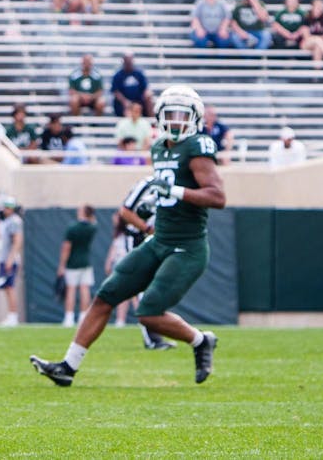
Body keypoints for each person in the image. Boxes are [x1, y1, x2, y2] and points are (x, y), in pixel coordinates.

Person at [31, 86, 224, 386]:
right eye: (170, 114)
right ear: (159, 117)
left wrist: (173, 191)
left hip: (187, 246)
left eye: (182, 115)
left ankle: (201, 340)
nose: (175, 121)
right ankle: (67, 366)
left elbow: (217, 196)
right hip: (159, 240)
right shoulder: (159, 147)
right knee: (105, 296)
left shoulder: (198, 146)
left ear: (195, 118)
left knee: (148, 313)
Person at [116, 176, 179, 349]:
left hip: (156, 240)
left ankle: (154, 336)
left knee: (152, 287)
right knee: (142, 288)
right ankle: (153, 338)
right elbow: (125, 211)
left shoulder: (176, 186)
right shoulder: (148, 184)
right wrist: (148, 229)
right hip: (138, 239)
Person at [0, 195, 22, 327]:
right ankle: (10, 315)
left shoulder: (15, 221)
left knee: (10, 287)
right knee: (6, 287)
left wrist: (11, 259)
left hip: (9, 259)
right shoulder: (5, 221)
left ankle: (13, 317)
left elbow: (17, 241)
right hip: (4, 257)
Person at [58, 205, 97, 327]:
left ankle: (69, 317)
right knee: (85, 289)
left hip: (72, 263)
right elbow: (94, 221)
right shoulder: (92, 228)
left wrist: (62, 265)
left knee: (71, 290)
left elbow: (66, 247)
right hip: (85, 262)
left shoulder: (73, 228)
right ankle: (83, 316)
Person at [110, 52, 152, 117]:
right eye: (127, 61)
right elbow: (115, 91)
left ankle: (152, 122)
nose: (129, 63)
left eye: (130, 61)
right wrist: (125, 101)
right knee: (128, 107)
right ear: (124, 62)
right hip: (123, 103)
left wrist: (147, 95)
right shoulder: (118, 75)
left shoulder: (139, 74)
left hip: (138, 101)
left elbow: (145, 88)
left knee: (149, 97)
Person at [300, 0, 323, 67]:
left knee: (317, 47)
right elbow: (307, 37)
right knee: (317, 41)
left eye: (321, 7)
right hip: (307, 44)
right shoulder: (306, 18)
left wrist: (317, 39)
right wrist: (318, 39)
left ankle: (317, 74)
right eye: (317, 6)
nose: (319, 9)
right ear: (312, 7)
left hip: (321, 45)